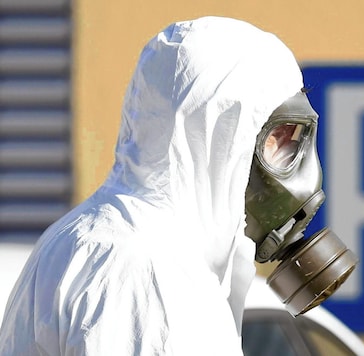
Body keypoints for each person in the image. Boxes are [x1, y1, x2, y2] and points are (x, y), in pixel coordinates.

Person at [0, 16, 305, 355]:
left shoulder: (88, 237)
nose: (292, 160)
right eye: (278, 137)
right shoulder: (144, 272)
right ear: (222, 133)